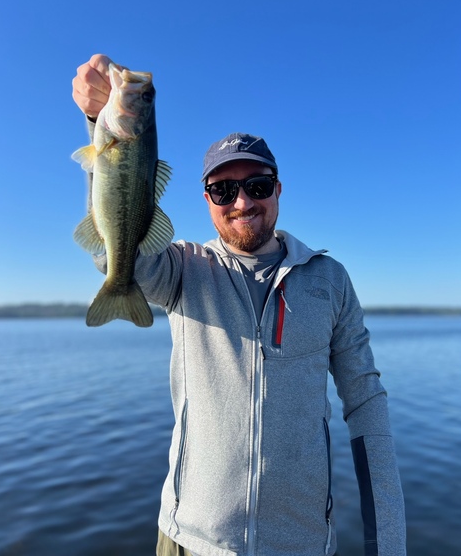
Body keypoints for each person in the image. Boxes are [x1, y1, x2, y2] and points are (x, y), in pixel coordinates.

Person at [72, 54, 407, 556]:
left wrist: (389, 543)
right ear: (206, 200)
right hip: (189, 540)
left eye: (256, 186)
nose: (242, 202)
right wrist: (97, 121)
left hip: (302, 544)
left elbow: (365, 405)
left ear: (278, 189)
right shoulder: (183, 269)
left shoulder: (330, 281)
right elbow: (110, 252)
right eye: (223, 189)